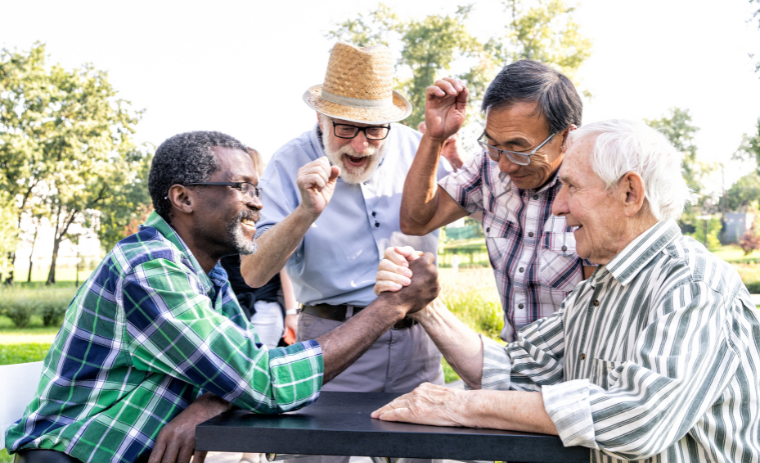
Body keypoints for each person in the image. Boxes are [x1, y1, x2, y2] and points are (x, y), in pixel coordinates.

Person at [4, 131, 440, 463]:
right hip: (77, 455)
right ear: (183, 197)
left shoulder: (206, 277)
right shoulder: (150, 271)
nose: (258, 205)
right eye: (243, 187)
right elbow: (265, 381)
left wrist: (211, 402)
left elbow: (244, 364)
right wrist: (393, 305)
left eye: (258, 190)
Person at [372, 120, 760, 463]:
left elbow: (640, 419)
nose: (557, 206)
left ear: (630, 193)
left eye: (571, 186)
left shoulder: (692, 286)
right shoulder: (601, 288)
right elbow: (516, 371)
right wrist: (423, 304)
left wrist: (464, 406)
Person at [240, 42, 448, 463]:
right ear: (320, 116)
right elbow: (254, 273)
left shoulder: (420, 149)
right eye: (346, 128)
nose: (361, 145)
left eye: (374, 130)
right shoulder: (288, 162)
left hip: (416, 345)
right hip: (334, 344)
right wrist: (305, 212)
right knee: (312, 458)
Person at [397, 60, 593, 342]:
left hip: (575, 373)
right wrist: (434, 137)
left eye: (519, 150)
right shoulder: (487, 169)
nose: (504, 166)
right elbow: (416, 221)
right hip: (514, 363)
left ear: (566, 137)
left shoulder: (595, 191)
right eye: (493, 145)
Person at [220, 148, 299, 350]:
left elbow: (284, 265)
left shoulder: (266, 211)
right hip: (228, 306)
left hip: (263, 306)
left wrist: (292, 312)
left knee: (258, 373)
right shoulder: (225, 211)